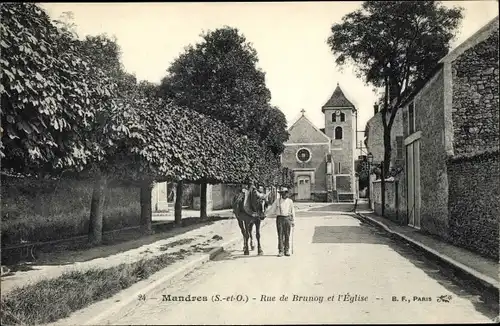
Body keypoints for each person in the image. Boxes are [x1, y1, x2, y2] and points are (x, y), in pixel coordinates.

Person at [267, 187, 295, 257]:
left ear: (287, 193)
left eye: (285, 193)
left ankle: (287, 250)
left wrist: (293, 221)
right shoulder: (277, 201)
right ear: (281, 194)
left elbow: (293, 211)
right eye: (282, 193)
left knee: (287, 235)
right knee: (280, 235)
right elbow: (272, 210)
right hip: (280, 219)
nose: (284, 195)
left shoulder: (290, 201)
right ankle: (281, 251)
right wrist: (266, 215)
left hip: (288, 219)